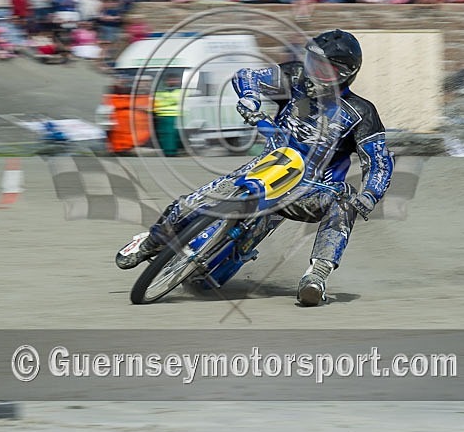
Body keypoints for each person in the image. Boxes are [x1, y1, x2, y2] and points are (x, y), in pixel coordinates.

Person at [115, 29, 394, 307]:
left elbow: (380, 163)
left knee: (344, 203)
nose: (313, 72)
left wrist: (369, 195)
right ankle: (151, 242)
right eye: (312, 62)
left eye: (324, 68)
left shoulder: (362, 112)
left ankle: (316, 276)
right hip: (264, 167)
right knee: (189, 204)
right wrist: (250, 98)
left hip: (309, 189)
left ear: (345, 73)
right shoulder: (294, 77)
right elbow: (246, 76)